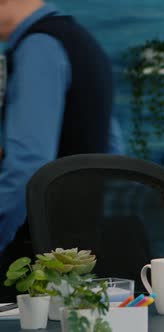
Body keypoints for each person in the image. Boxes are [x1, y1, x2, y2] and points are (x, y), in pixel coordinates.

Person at [0, 0, 123, 297]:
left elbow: (27, 164)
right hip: (75, 252)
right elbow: (113, 147)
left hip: (31, 262)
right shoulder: (82, 43)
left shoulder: (38, 47)